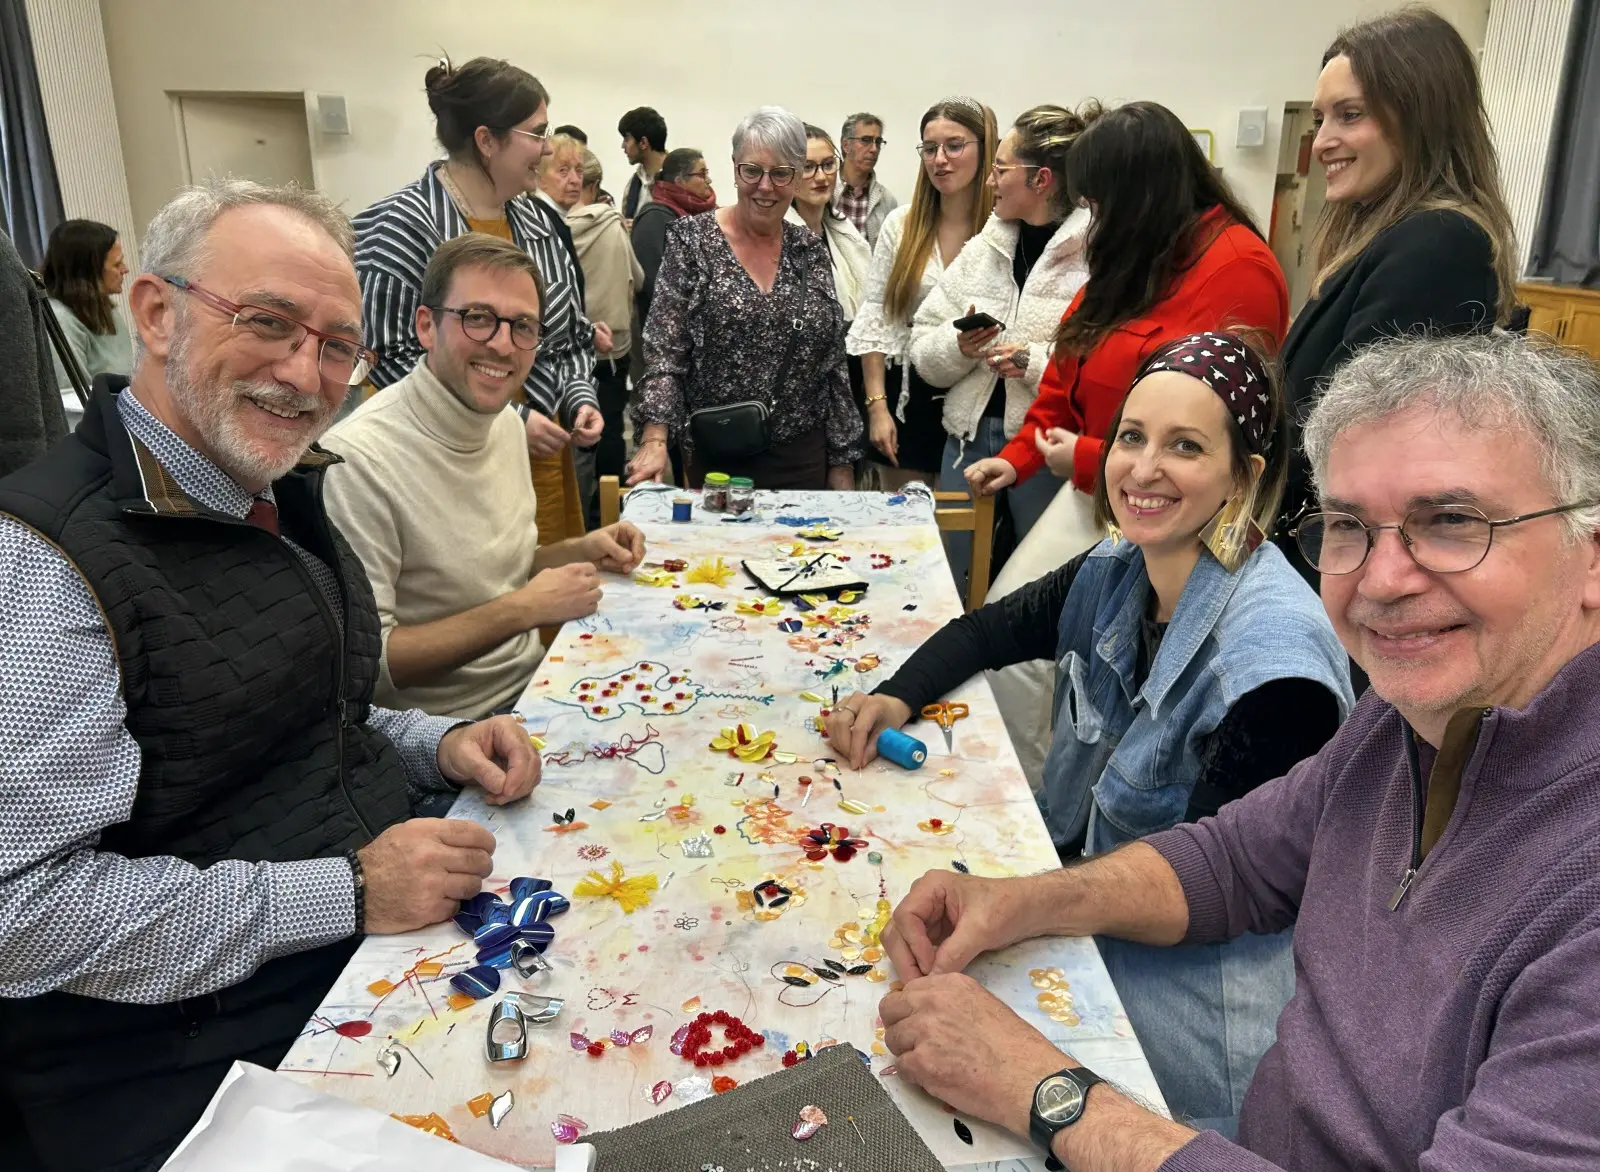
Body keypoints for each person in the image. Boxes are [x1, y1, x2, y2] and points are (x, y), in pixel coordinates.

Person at [871, 330, 1600, 1172]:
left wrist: (1048, 1090)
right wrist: (1021, 901)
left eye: (1451, 522)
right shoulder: (1405, 722)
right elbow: (1237, 859)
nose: (1383, 580)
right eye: (1349, 526)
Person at [0, 179, 540, 1172]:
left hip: (358, 945)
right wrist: (345, 891)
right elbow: (20, 914)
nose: (307, 371)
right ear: (155, 313)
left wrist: (436, 740)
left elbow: (301, 717)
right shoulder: (45, 559)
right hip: (181, 1053)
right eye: (267, 322)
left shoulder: (278, 488)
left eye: (337, 344)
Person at [831, 331, 1352, 1128]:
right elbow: (994, 630)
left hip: (1183, 1026)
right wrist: (896, 696)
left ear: (1244, 476)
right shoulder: (1124, 566)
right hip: (1094, 922)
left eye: (1184, 446)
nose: (1142, 469)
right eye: (1132, 438)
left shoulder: (1276, 673)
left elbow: (1201, 888)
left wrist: (1024, 904)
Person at [323, 233, 645, 722]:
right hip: (443, 741)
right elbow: (372, 664)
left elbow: (495, 577)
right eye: (478, 318)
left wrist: (580, 549)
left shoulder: (507, 426)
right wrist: (524, 610)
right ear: (426, 326)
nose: (502, 344)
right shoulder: (357, 462)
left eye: (522, 326)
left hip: (536, 691)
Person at [1274, 8, 1519, 581]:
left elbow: (1353, 437)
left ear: (1420, 117)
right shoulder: (1384, 241)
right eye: (1320, 118)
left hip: (1335, 566)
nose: (1323, 142)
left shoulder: (1437, 243)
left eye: (1350, 115)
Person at [964, 102, 1289, 509]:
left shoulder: (1239, 270)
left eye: (1097, 204)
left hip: (1168, 516)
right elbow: (1065, 378)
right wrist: (1018, 458)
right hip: (1109, 499)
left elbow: (1217, 445)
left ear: (1139, 197)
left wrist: (1090, 458)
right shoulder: (1138, 255)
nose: (1093, 220)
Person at [353, 55, 600, 557]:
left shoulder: (539, 222)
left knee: (547, 598)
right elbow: (388, 360)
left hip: (544, 456)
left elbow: (568, 336)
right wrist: (513, 418)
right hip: (446, 466)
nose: (548, 148)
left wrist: (579, 397)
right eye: (537, 132)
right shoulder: (400, 229)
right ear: (487, 141)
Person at [627, 107, 862, 491]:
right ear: (735, 168)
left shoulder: (809, 250)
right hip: (718, 456)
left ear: (797, 174)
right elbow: (665, 353)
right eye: (752, 171)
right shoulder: (692, 242)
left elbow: (832, 365)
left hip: (803, 456)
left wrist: (842, 465)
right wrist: (654, 439)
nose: (765, 187)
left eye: (781, 173)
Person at [909, 104, 1094, 588]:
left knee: (1041, 585)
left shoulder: (1095, 257)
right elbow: (922, 351)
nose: (989, 180)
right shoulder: (984, 249)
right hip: (966, 440)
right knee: (948, 578)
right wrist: (960, 348)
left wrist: (1032, 362)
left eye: (1001, 169)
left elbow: (1102, 367)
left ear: (1042, 180)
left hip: (1045, 446)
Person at [849, 98, 998, 487]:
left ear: (985, 150)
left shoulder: (1002, 229)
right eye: (929, 149)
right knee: (903, 528)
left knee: (965, 536)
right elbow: (878, 317)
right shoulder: (903, 225)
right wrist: (877, 407)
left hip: (979, 402)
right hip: (908, 400)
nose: (940, 160)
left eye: (954, 145)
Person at [565, 151, 645, 507]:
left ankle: (577, 507)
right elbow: (639, 278)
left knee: (574, 427)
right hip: (613, 346)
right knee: (611, 424)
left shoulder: (551, 228)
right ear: (596, 186)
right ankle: (609, 506)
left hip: (569, 345)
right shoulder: (613, 224)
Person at [789, 124, 873, 418]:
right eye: (808, 168)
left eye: (828, 164)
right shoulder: (779, 239)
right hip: (804, 392)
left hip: (853, 374)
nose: (822, 176)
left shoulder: (842, 231)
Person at [40, 218, 133, 388]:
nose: (125, 269)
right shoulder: (60, 321)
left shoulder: (106, 310)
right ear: (88, 271)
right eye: (117, 264)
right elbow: (73, 401)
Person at [632, 147, 716, 326]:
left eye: (707, 173)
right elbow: (656, 285)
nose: (708, 180)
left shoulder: (706, 215)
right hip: (668, 332)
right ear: (679, 181)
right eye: (701, 174)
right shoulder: (654, 219)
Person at [836, 112, 898, 246]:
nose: (874, 149)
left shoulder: (886, 201)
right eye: (866, 140)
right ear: (846, 145)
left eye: (878, 142)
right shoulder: (826, 189)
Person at [618, 106, 668, 220]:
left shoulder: (678, 178)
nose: (623, 146)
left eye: (627, 139)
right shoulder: (633, 184)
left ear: (643, 142)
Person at [536, 131, 585, 218]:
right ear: (539, 176)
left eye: (579, 170)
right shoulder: (537, 221)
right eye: (563, 170)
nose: (575, 180)